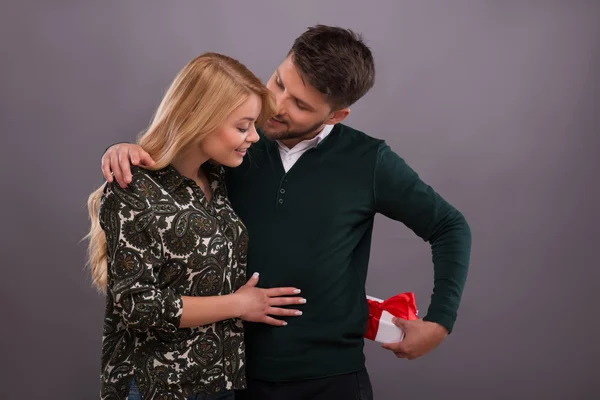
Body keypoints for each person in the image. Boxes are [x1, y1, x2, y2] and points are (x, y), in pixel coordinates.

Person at [101, 25, 472, 400]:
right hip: (231, 376)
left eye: (301, 105)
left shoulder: (369, 162)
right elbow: (175, 166)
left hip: (331, 378)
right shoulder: (233, 142)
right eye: (279, 82)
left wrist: (440, 321)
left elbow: (448, 225)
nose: (277, 106)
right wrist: (125, 150)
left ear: (336, 115)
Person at [85, 52, 307, 400]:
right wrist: (240, 305)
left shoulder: (218, 177)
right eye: (242, 126)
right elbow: (138, 307)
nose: (253, 137)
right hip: (158, 386)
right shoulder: (134, 190)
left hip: (219, 382)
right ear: (199, 117)